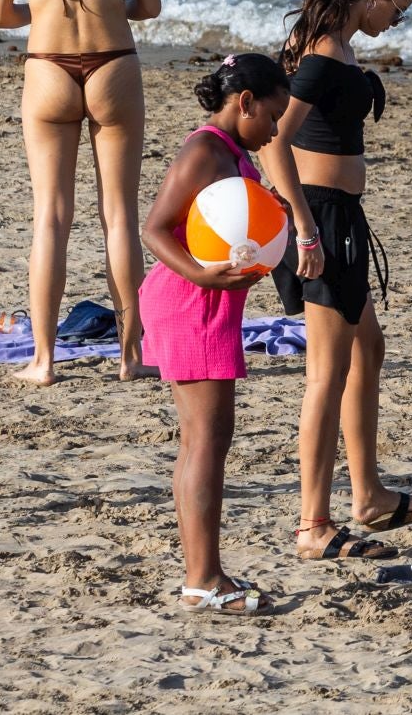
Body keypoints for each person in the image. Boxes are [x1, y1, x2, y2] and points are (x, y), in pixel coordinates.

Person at [261, 0, 412, 562]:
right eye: (399, 6)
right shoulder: (319, 60)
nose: (398, 18)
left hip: (340, 218)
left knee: (369, 346)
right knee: (326, 373)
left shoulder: (333, 50)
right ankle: (314, 524)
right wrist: (306, 229)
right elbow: (270, 141)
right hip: (324, 221)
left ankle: (368, 495)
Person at [0, 0, 162, 386]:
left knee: (50, 218)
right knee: (118, 214)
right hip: (114, 64)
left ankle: (42, 360)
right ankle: (131, 357)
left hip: (47, 70)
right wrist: (110, 7)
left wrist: (43, 9)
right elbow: (150, 5)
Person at [138, 54, 291, 615]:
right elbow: (153, 228)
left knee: (202, 442)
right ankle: (203, 579)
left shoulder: (231, 152)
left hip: (207, 303)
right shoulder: (204, 150)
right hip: (190, 302)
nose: (275, 129)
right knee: (207, 442)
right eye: (271, 116)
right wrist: (202, 274)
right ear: (244, 102)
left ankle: (202, 574)